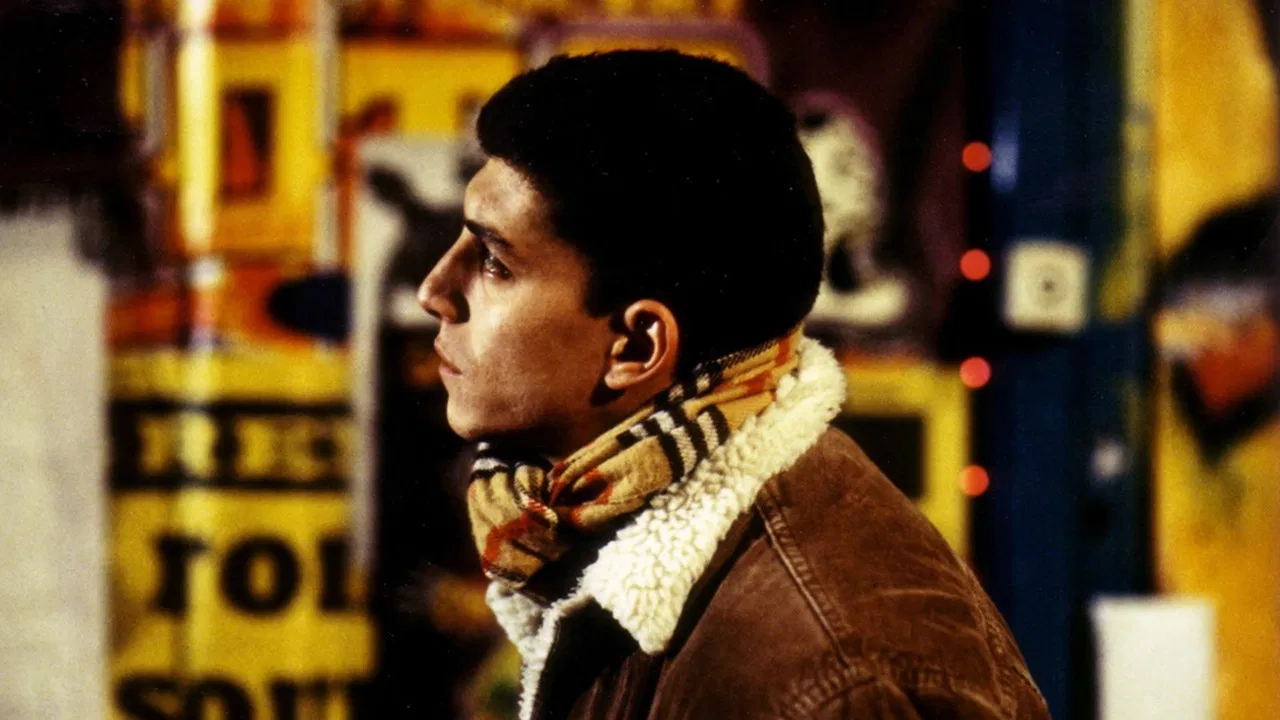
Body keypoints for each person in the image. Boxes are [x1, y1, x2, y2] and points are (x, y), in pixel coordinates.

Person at [416, 49, 1050, 720]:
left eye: (494, 261)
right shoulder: (598, 521)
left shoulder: (833, 683)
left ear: (637, 347)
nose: (433, 290)